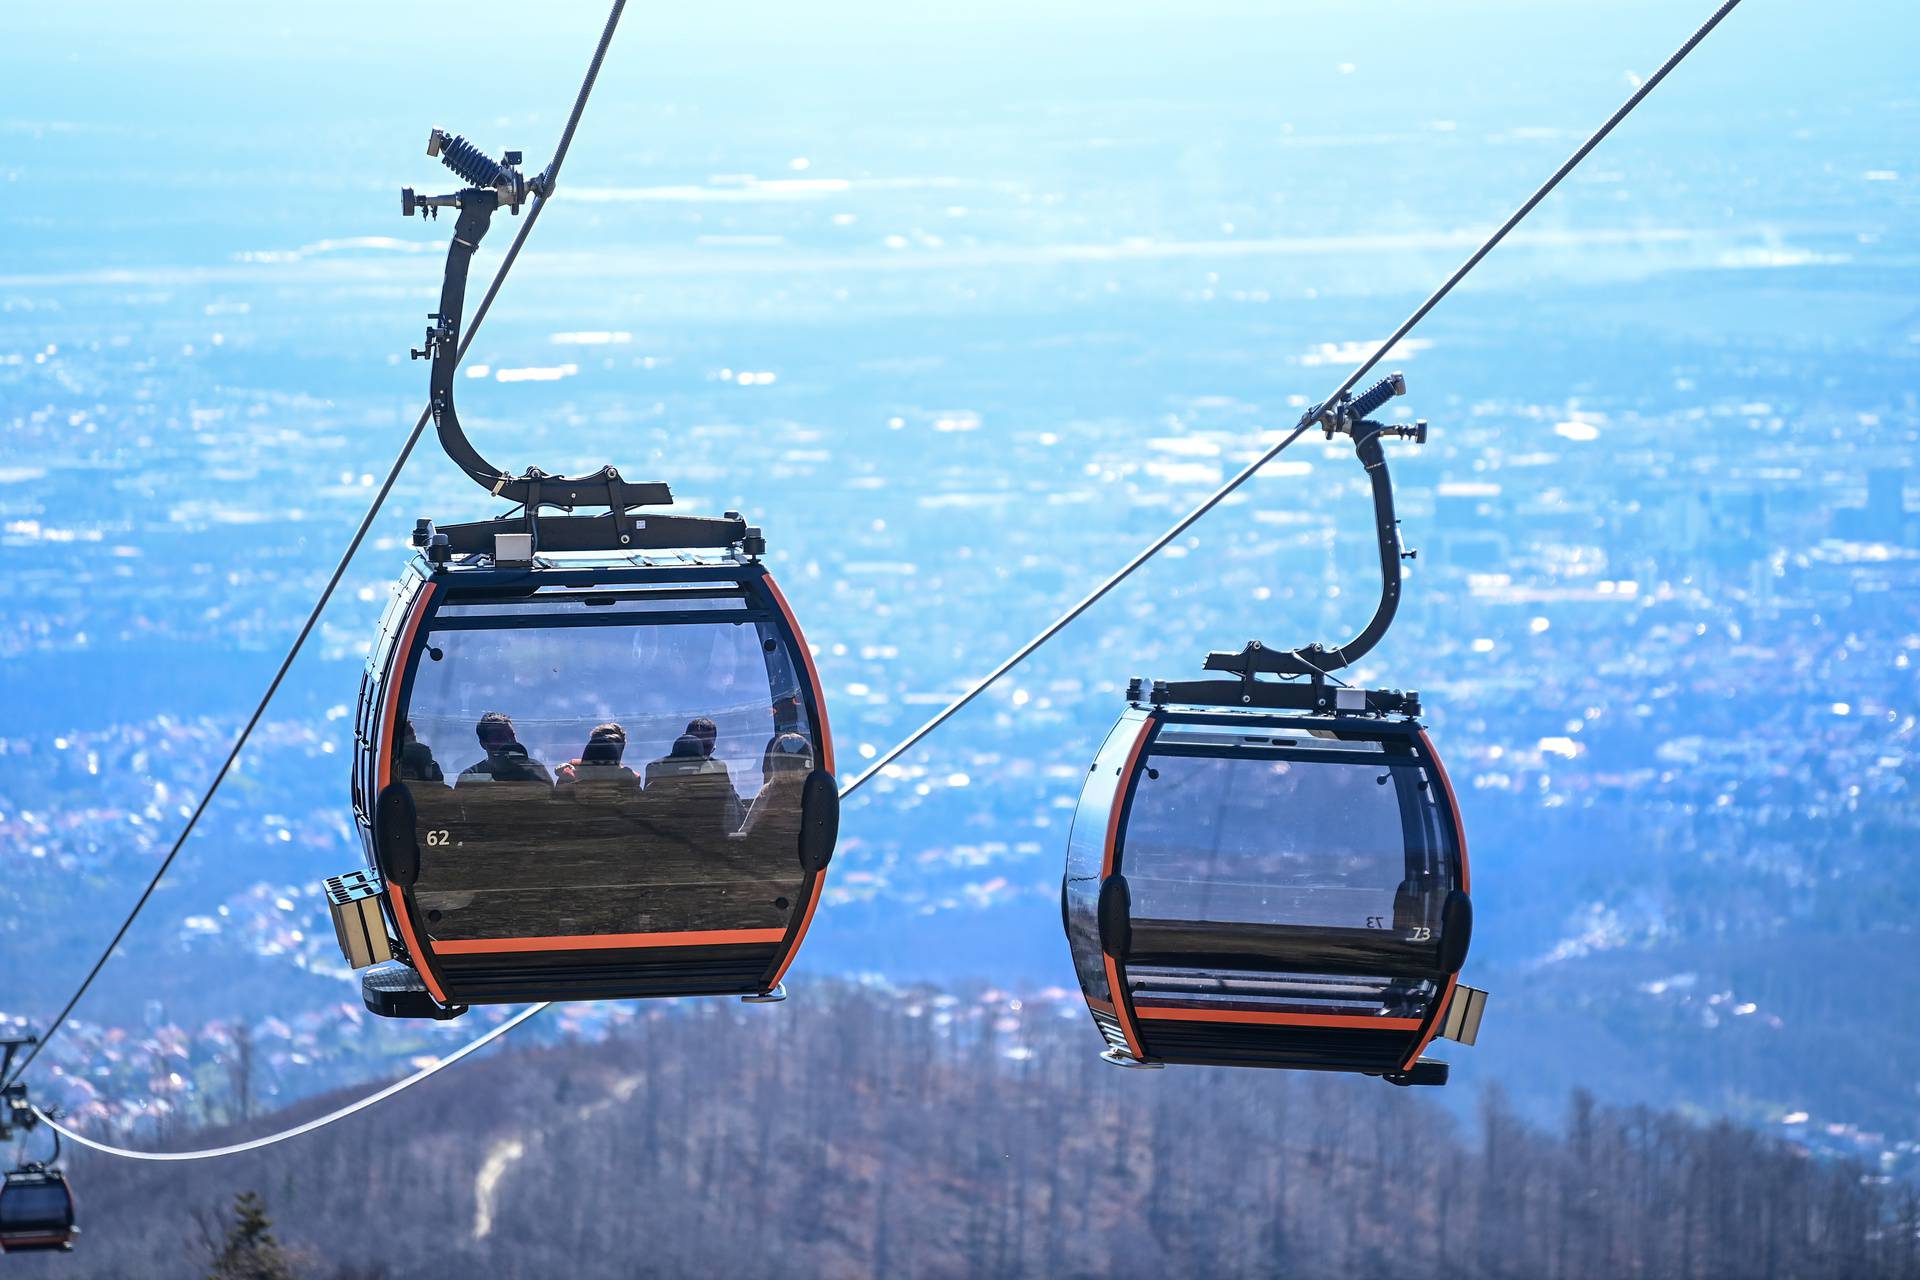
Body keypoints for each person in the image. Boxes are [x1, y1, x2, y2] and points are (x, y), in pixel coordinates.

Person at [739, 731, 812, 839]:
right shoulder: (811, 793)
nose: (790, 768)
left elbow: (743, 833)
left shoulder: (766, 793)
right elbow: (743, 833)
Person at [456, 711, 553, 786]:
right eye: (499, 737)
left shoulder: (534, 769)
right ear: (484, 744)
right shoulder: (470, 778)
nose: (509, 741)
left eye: (512, 735)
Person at [555, 723, 640, 797]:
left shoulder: (629, 780)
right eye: (599, 743)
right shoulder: (569, 775)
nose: (605, 747)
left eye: (612, 746)